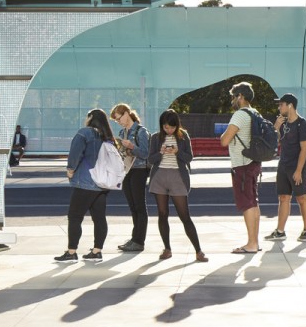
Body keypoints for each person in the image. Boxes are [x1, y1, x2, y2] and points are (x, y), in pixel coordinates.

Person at [57, 109, 116, 262]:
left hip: (85, 182)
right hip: (102, 184)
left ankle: (71, 252)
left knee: (75, 217)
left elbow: (75, 153)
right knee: (99, 218)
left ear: (90, 118)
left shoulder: (85, 133)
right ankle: (96, 251)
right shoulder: (108, 137)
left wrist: (70, 169)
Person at [148, 108, 207, 262]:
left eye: (172, 127)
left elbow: (189, 157)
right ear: (161, 125)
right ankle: (167, 249)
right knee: (162, 214)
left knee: (184, 215)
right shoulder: (155, 138)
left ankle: (198, 251)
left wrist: (176, 152)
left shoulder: (183, 136)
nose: (169, 130)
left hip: (177, 177)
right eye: (166, 127)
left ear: (177, 125)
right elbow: (150, 160)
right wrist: (161, 152)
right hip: (159, 177)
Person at [219, 81, 264, 255]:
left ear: (241, 97)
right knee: (253, 201)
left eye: (234, 96)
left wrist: (225, 133)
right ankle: (254, 241)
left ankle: (251, 244)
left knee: (247, 203)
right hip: (253, 162)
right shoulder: (255, 113)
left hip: (242, 165)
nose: (233, 100)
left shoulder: (240, 115)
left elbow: (224, 140)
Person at [268, 93, 306, 243]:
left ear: (290, 106)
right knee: (283, 197)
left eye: (281, 104)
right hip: (284, 164)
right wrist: (276, 127)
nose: (279, 107)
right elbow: (276, 142)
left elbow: (304, 149)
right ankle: (280, 231)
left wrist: (299, 170)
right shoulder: (284, 123)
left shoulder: (303, 124)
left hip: (297, 165)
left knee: (301, 197)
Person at [112, 103, 153, 253]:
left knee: (139, 206)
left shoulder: (141, 131)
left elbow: (146, 153)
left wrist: (131, 147)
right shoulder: (122, 133)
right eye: (116, 121)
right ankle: (134, 238)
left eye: (119, 118)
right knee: (132, 206)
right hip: (126, 170)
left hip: (139, 170)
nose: (119, 122)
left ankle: (139, 240)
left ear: (127, 113)